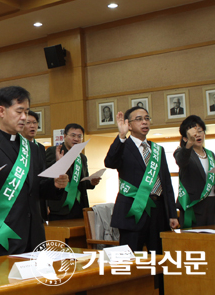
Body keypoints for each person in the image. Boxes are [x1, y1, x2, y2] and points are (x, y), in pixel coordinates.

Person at [0, 86, 68, 257]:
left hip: (34, 235)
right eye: (19, 111)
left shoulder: (33, 149)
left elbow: (39, 189)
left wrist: (55, 184)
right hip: (1, 233)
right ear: (1, 111)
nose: (24, 117)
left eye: (27, 112)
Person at [105, 106, 178, 254]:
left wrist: (171, 213)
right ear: (129, 125)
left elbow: (166, 184)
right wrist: (121, 136)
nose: (144, 122)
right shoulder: (122, 146)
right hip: (132, 211)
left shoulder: (157, 150)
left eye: (146, 118)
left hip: (158, 211)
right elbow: (110, 162)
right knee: (130, 259)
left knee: (158, 258)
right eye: (139, 119)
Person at [45, 123, 100, 221]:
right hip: (58, 207)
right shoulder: (54, 151)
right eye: (73, 135)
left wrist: (91, 182)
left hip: (79, 206)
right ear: (65, 136)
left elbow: (82, 183)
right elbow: (46, 178)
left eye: (79, 136)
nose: (76, 139)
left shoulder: (82, 158)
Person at [174, 115, 215, 228]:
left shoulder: (211, 154)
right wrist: (189, 144)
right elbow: (182, 161)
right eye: (193, 132)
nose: (197, 134)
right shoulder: (181, 152)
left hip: (212, 206)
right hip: (193, 206)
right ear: (185, 138)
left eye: (200, 131)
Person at [21, 110, 48, 221]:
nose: (32, 126)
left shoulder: (40, 148)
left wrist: (47, 203)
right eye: (28, 123)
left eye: (35, 122)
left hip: (39, 198)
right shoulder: (17, 147)